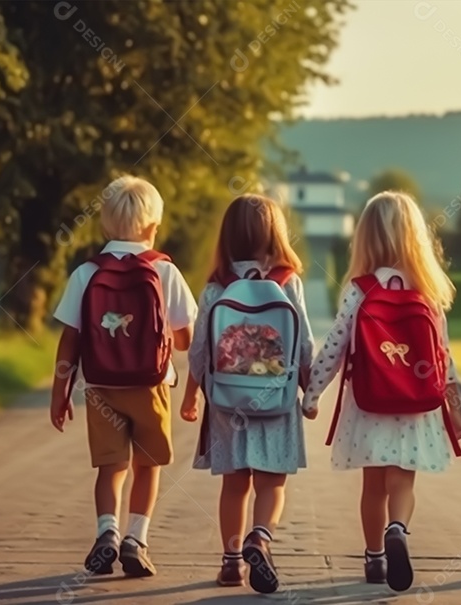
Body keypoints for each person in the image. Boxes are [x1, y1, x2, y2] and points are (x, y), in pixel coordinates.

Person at [302, 191, 461, 592]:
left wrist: (312, 395)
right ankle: (399, 528)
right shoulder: (427, 293)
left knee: (372, 487)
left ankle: (374, 557)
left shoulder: (359, 291)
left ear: (366, 238)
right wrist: (455, 408)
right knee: (402, 483)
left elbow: (335, 347)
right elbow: (442, 356)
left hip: (369, 402)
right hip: (415, 406)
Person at [49, 175, 197, 577]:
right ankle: (136, 539)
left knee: (110, 467)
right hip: (151, 386)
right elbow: (184, 340)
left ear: (104, 226)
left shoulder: (87, 272)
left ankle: (106, 533)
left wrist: (59, 392)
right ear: (153, 227)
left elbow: (69, 341)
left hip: (100, 388)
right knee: (147, 467)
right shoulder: (164, 271)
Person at [180, 194, 315, 594]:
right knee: (272, 484)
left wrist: (192, 394)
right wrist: (309, 392)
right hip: (277, 399)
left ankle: (232, 561)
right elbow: (304, 344)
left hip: (227, 402)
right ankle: (262, 537)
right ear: (275, 235)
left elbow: (200, 350)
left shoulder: (216, 288)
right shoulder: (289, 283)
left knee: (234, 485)